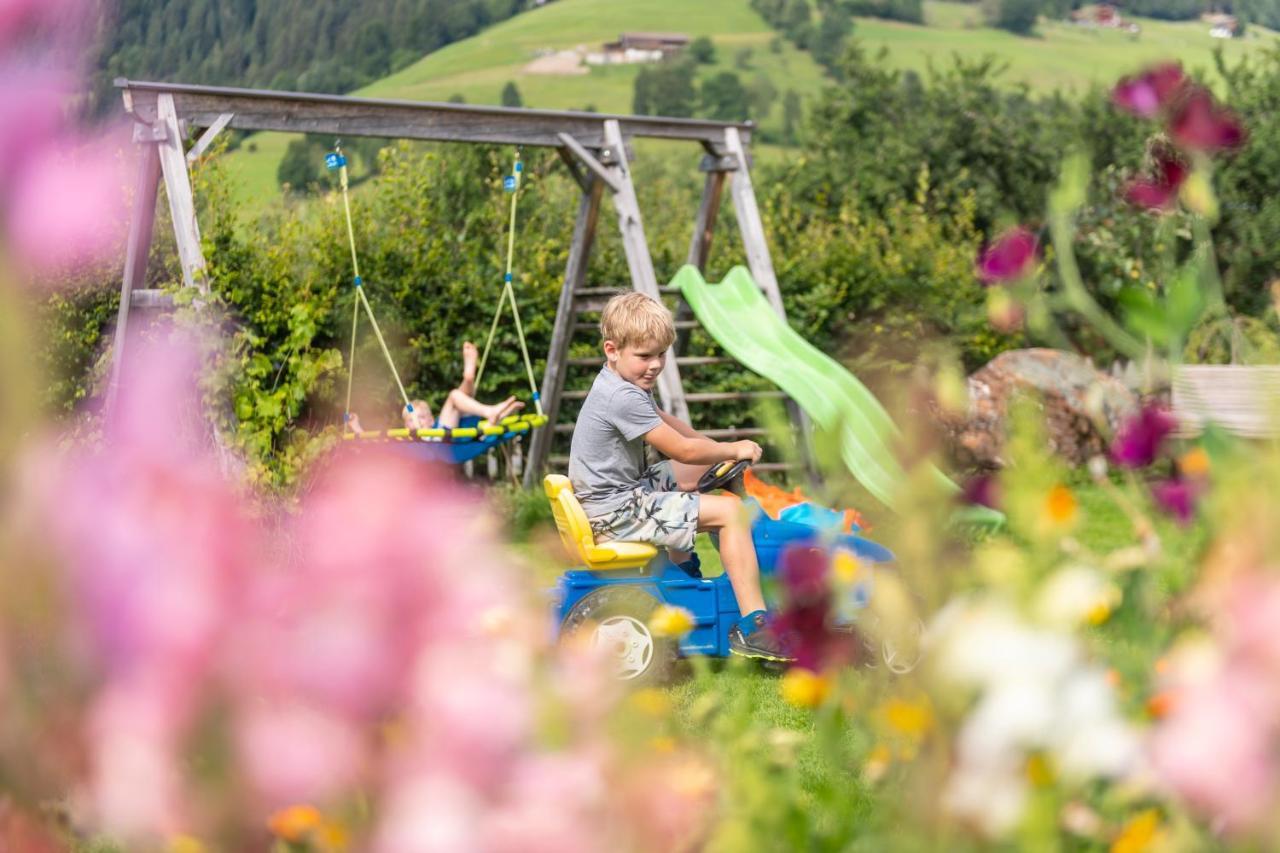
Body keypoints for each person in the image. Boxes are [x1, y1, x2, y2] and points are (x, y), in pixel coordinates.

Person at [568, 292, 793, 662]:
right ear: (612, 349)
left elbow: (678, 432)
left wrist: (715, 456)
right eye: (645, 356)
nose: (655, 365)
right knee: (731, 514)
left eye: (661, 354)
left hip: (614, 495)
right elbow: (682, 451)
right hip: (616, 510)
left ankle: (683, 570)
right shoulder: (621, 397)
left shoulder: (624, 382)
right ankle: (755, 625)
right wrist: (732, 448)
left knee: (694, 472)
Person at [347, 341, 523, 434]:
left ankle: (472, 385)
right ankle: (477, 393)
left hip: (444, 435)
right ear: (406, 427)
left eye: (422, 417)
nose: (417, 422)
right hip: (441, 444)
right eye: (410, 420)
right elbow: (381, 446)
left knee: (456, 399)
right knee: (455, 397)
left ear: (431, 421)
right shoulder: (408, 441)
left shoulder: (436, 428)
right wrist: (357, 428)